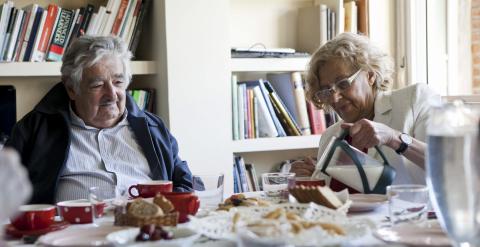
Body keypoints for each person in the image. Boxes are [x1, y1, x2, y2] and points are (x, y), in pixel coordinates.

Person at [6, 36, 193, 204]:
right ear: (71, 88)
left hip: (146, 233)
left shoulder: (153, 127)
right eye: (97, 84)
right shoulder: (34, 130)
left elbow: (185, 182)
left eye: (118, 82)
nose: (112, 94)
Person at [291, 32, 441, 185]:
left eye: (343, 83)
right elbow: (336, 201)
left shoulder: (414, 100)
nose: (334, 98)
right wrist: (313, 179)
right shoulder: (330, 136)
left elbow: (448, 166)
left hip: (411, 209)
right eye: (326, 91)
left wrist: (394, 138)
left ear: (370, 75)